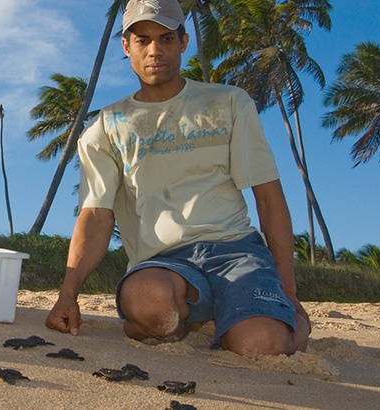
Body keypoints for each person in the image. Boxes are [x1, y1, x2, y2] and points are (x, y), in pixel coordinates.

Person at [45, 0, 311, 356]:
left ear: (184, 42)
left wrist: (289, 293)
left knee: (261, 345)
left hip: (236, 251)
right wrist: (67, 296)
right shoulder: (107, 127)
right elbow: (95, 215)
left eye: (167, 39)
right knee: (151, 307)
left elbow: (268, 196)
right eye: (143, 40)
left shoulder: (229, 103)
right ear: (126, 47)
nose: (155, 50)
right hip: (163, 261)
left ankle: (260, 315)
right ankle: (197, 315)